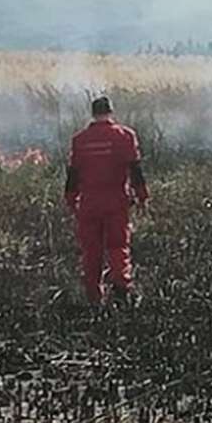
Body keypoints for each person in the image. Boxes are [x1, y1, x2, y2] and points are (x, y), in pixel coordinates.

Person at [65, 97, 149, 305]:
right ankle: (122, 292)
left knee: (90, 251)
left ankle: (94, 298)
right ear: (111, 112)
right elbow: (135, 170)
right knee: (118, 247)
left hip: (89, 204)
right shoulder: (125, 136)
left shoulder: (80, 139)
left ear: (93, 113)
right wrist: (142, 197)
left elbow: (73, 174)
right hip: (116, 203)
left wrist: (70, 199)